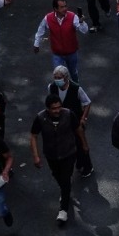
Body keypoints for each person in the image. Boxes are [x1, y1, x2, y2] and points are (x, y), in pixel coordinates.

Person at [30, 93, 79, 225]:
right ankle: (65, 191)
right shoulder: (41, 118)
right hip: (51, 155)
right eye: (53, 108)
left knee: (65, 178)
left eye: (59, 107)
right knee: (58, 176)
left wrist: (83, 146)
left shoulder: (69, 114)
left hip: (69, 152)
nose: (57, 110)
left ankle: (63, 210)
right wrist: (36, 155)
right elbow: (33, 135)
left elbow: (78, 129)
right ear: (47, 109)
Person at [33, 0, 89, 82]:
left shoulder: (73, 17)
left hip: (71, 53)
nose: (65, 9)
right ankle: (62, 92)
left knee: (73, 73)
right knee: (58, 75)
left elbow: (84, 31)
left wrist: (81, 22)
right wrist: (36, 44)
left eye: (65, 6)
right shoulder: (48, 18)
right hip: (57, 54)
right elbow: (41, 30)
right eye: (62, 7)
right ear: (55, 9)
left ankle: (76, 88)